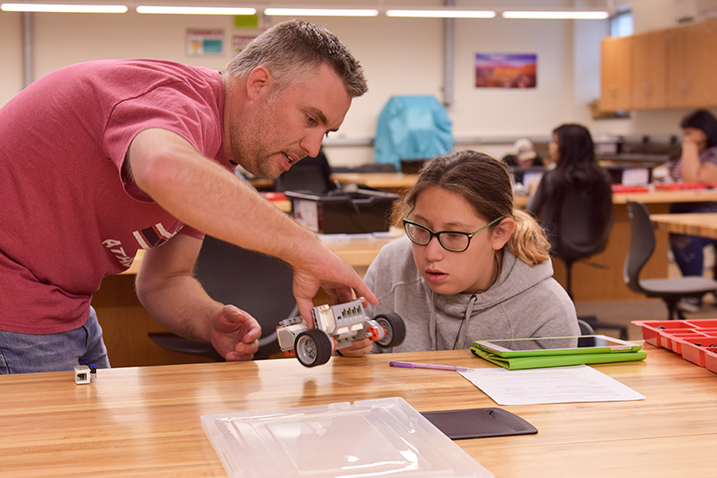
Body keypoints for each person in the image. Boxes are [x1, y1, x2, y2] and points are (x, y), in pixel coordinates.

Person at [0, 20, 377, 374]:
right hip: (18, 302)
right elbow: (164, 168)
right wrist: (304, 248)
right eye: (310, 119)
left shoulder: (212, 163)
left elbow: (163, 281)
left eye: (326, 132)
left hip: (69, 307)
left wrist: (210, 320)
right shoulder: (179, 101)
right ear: (259, 84)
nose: (314, 148)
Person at [339, 151, 579, 356]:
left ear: (500, 233)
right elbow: (356, 374)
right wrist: (346, 347)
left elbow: (546, 408)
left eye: (454, 236)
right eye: (421, 229)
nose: (431, 254)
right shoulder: (391, 264)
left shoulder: (547, 312)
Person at [527, 124, 613, 262]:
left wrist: (533, 190)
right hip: (594, 244)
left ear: (566, 148)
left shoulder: (551, 178)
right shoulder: (603, 178)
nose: (551, 146)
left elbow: (530, 212)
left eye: (554, 142)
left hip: (554, 245)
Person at [664, 109, 717, 312]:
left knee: (684, 234)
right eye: (684, 134)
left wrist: (689, 146)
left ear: (705, 131)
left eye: (690, 133)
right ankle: (693, 288)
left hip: (708, 212)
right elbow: (664, 170)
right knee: (680, 229)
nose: (686, 137)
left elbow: (691, 179)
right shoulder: (686, 152)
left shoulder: (712, 153)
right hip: (683, 209)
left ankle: (694, 293)